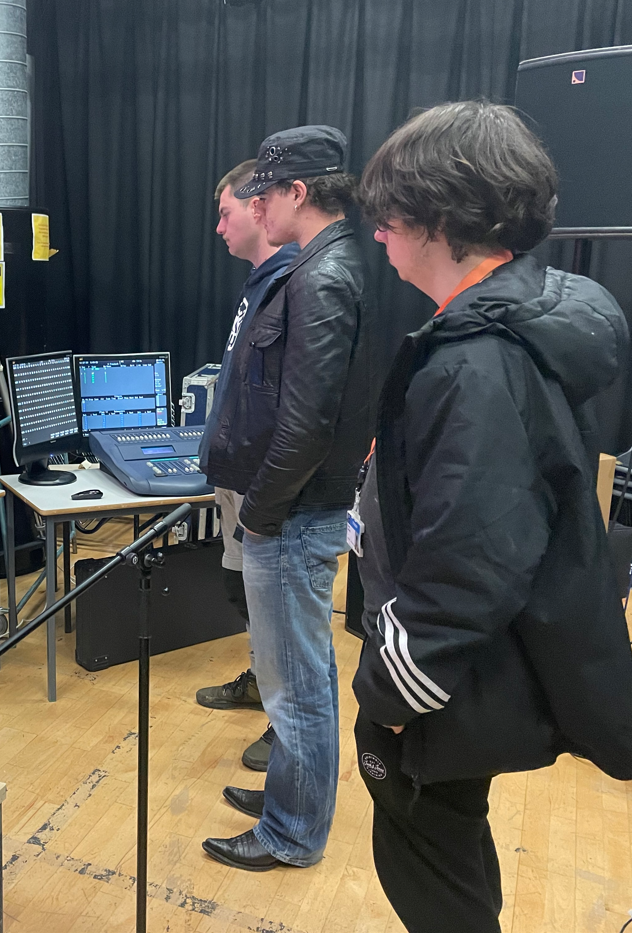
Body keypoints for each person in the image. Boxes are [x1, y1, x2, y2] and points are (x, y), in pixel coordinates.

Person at [353, 100, 632, 931]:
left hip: (443, 679)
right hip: (461, 664)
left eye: (392, 217)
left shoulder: (476, 363)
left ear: (440, 218)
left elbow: (472, 562)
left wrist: (389, 691)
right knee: (449, 850)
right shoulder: (503, 320)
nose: (379, 235)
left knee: (431, 870)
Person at [199, 126, 374, 871]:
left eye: (263, 195)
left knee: (297, 685)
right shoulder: (316, 269)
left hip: (293, 516)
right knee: (292, 678)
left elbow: (305, 423)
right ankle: (286, 794)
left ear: (297, 193)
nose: (253, 208)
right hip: (289, 511)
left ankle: (290, 832)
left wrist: (263, 512)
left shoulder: (320, 276)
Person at [195, 159, 299, 773]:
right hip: (235, 482)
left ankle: (285, 726)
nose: (219, 228)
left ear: (259, 209)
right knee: (243, 593)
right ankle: (261, 683)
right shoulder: (257, 285)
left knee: (282, 618)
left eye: (225, 213)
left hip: (265, 492)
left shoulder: (293, 284)